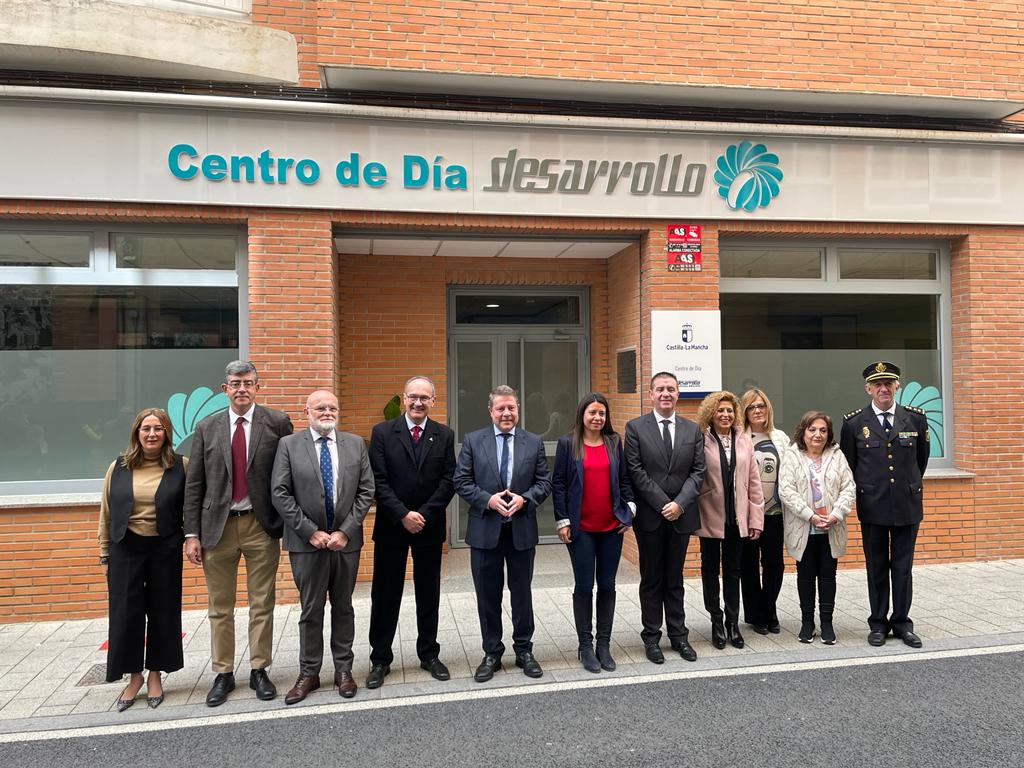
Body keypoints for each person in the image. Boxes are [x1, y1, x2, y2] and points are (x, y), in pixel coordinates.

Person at [183, 360, 293, 707]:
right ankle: (223, 673)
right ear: (224, 388)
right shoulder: (206, 427)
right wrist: (191, 534)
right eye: (235, 383)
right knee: (220, 606)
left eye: (248, 383)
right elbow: (194, 484)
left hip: (261, 525)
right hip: (217, 528)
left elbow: (289, 472)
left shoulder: (277, 422)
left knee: (262, 602)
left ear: (258, 387)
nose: (242, 388)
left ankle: (260, 669)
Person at [271, 390, 374, 703]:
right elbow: (280, 492)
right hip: (307, 544)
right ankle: (309, 672)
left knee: (343, 607)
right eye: (320, 407)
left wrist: (344, 531)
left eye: (332, 407)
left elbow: (366, 491)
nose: (327, 412)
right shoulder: (289, 445)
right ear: (307, 411)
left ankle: (344, 670)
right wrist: (310, 531)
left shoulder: (355, 444)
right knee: (311, 609)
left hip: (346, 542)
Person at [454, 384, 552, 682]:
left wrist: (525, 499)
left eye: (511, 408)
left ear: (518, 410)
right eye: (501, 408)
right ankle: (492, 652)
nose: (507, 413)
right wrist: (488, 500)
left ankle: (524, 650)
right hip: (485, 532)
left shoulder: (533, 442)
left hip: (521, 530)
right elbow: (461, 480)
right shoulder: (473, 441)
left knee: (522, 594)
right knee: (488, 595)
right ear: (491, 411)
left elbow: (544, 482)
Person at [366, 376, 456, 689]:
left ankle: (429, 654)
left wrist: (424, 515)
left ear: (434, 401)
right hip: (392, 526)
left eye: (425, 398)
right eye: (413, 397)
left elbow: (449, 481)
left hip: (428, 528)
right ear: (404, 398)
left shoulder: (443, 435)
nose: (418, 403)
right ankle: (380, 659)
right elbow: (378, 480)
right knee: (385, 594)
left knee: (428, 592)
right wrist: (402, 514)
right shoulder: (382, 432)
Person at [98, 408, 186, 711]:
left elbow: (190, 508)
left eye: (158, 429)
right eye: (146, 428)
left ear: (166, 433)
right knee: (126, 614)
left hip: (164, 547)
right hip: (125, 547)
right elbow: (106, 514)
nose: (152, 434)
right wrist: (104, 553)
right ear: (137, 433)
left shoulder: (181, 466)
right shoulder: (118, 467)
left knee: (163, 612)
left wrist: (190, 539)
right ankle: (133, 676)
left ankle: (155, 675)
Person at [840, 361, 929, 648]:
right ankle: (878, 623)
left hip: (906, 505)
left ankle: (902, 623)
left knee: (903, 568)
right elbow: (849, 465)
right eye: (877, 384)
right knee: (876, 566)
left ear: (896, 387)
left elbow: (921, 461)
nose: (883, 389)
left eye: (888, 383)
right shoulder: (854, 423)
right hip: (873, 506)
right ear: (868, 389)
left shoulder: (914, 419)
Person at [624, 372, 706, 664]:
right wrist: (664, 504)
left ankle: (679, 636)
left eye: (671, 389)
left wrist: (680, 504)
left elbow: (698, 472)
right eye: (660, 389)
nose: (666, 394)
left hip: (680, 517)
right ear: (651, 394)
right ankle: (651, 637)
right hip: (651, 517)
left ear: (678, 393)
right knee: (651, 578)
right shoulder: (635, 428)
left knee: (675, 578)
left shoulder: (692, 430)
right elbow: (636, 471)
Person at [552, 393, 635, 672]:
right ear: (582, 415)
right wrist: (562, 520)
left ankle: (604, 645)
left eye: (601, 413)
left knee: (608, 586)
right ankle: (585, 646)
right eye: (592, 413)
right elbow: (559, 484)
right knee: (584, 586)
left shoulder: (614, 442)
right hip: (581, 529)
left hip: (612, 527)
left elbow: (624, 480)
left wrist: (629, 511)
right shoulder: (568, 443)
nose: (597, 418)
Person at [695, 390, 764, 650]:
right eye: (720, 410)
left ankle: (733, 623)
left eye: (729, 411)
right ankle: (716, 620)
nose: (725, 415)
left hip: (738, 517)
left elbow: (754, 482)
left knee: (734, 570)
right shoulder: (700, 439)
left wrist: (756, 519)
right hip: (710, 516)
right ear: (710, 413)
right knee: (710, 570)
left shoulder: (744, 440)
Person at [779, 411, 854, 644]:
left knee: (828, 576)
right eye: (812, 429)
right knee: (806, 577)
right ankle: (807, 623)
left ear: (828, 434)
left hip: (831, 527)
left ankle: (827, 623)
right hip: (804, 527)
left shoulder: (837, 455)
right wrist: (810, 515)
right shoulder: (792, 455)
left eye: (823, 430)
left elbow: (848, 488)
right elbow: (786, 490)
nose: (817, 435)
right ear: (803, 432)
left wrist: (836, 514)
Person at [738, 389, 791, 635]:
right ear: (744, 412)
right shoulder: (739, 437)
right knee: (748, 566)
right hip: (746, 515)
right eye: (751, 407)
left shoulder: (780, 438)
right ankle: (755, 615)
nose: (757, 410)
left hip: (775, 514)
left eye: (761, 406)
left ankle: (770, 610)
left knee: (774, 565)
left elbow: (789, 474)